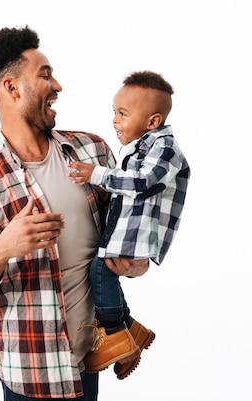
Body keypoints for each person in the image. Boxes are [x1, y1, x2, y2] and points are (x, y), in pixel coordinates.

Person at [0, 26, 149, 401]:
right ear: (12, 88)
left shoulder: (92, 151)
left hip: (91, 358)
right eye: (44, 74)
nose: (57, 85)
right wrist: (2, 249)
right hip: (32, 374)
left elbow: (125, 234)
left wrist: (135, 263)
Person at [67, 70, 191, 379]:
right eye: (114, 112)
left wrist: (96, 174)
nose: (114, 120)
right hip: (124, 231)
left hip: (138, 233)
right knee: (101, 270)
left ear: (152, 122)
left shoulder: (165, 148)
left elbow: (143, 182)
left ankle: (115, 333)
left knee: (100, 270)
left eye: (123, 113)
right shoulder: (140, 148)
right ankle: (129, 329)